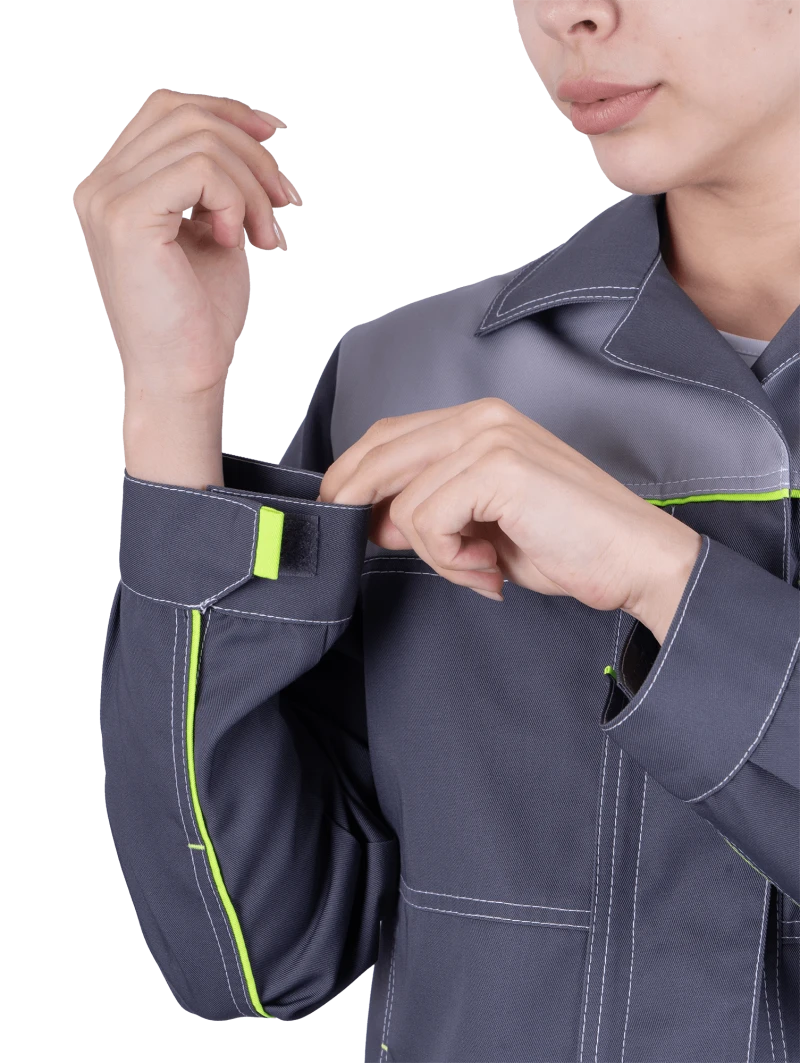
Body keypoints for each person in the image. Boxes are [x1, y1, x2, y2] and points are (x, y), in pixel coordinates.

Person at [86, 3, 798, 1055]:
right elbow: (253, 956)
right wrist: (171, 401)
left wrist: (662, 576)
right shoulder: (411, 384)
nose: (570, 14)